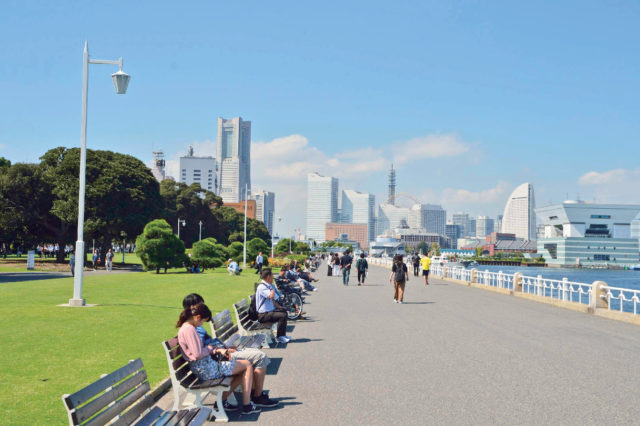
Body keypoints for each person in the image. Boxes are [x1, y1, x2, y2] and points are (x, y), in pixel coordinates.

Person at [181, 294, 278, 410]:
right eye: (202, 321)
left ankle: (236, 401)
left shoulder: (189, 327)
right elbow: (197, 354)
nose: (202, 324)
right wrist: (212, 349)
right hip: (207, 368)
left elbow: (199, 350)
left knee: (245, 366)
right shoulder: (190, 329)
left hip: (208, 365)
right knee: (248, 364)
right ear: (196, 315)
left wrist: (216, 349)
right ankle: (248, 403)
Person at [256, 269, 291, 343]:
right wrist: (272, 288)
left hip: (268, 312)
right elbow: (271, 296)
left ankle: (282, 335)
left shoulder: (267, 286)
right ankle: (280, 337)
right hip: (263, 315)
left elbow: (274, 299)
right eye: (272, 276)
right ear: (268, 277)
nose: (273, 278)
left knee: (284, 312)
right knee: (283, 315)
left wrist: (280, 307)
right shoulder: (262, 287)